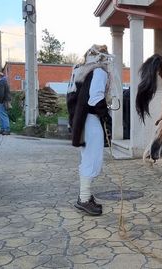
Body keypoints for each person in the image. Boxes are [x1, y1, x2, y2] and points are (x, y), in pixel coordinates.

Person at [67, 44, 120, 216]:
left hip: (82, 121)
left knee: (87, 158)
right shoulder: (99, 71)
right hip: (91, 120)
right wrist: (106, 116)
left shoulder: (82, 70)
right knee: (92, 159)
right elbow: (95, 98)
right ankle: (83, 200)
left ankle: (85, 196)